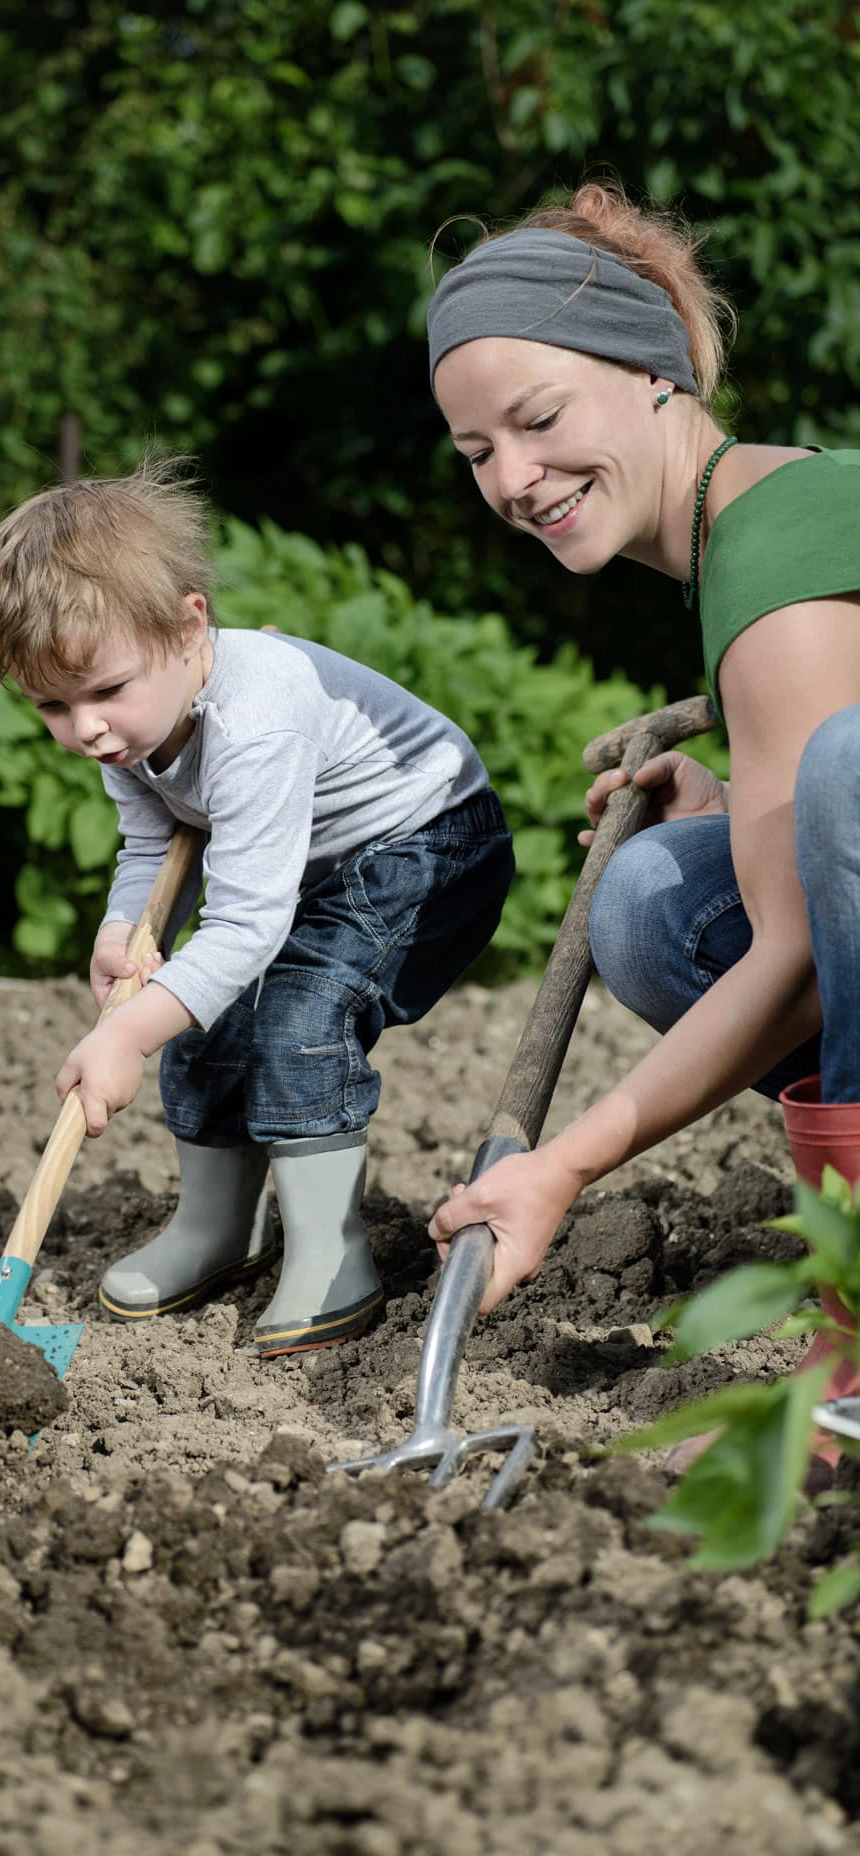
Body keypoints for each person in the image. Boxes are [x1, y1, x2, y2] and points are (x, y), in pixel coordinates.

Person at [423, 181, 860, 1429]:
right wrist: (733, 794)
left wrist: (559, 1166)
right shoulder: (754, 523)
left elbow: (793, 961)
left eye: (539, 418)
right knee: (652, 903)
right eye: (475, 454)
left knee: (842, 773)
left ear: (652, 369)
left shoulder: (771, 562)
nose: (513, 477)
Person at [0, 459, 513, 1354]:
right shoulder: (137, 730)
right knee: (202, 1013)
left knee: (298, 1014)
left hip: (428, 843)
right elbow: (154, 843)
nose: (87, 731)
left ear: (190, 629)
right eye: (52, 708)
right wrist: (125, 929)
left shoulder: (254, 722)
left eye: (106, 691)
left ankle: (330, 1251)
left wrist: (122, 1035)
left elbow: (248, 925)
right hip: (310, 861)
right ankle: (218, 1229)